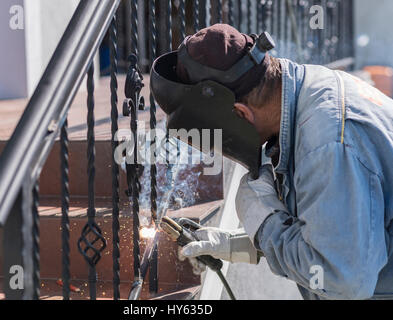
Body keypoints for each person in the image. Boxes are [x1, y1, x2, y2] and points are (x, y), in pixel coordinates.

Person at [150, 23, 393, 300]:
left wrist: (265, 226)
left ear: (240, 113)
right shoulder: (310, 87)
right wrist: (239, 243)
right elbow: (339, 229)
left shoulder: (326, 146)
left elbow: (342, 280)